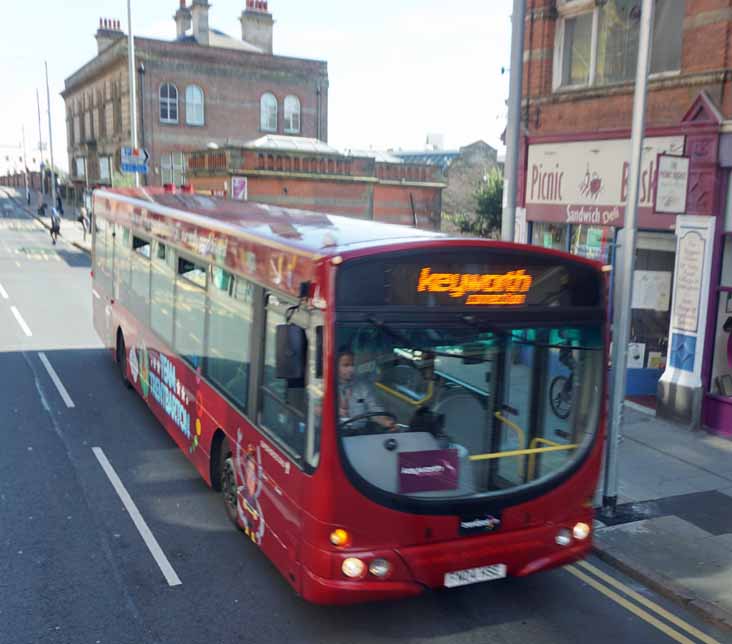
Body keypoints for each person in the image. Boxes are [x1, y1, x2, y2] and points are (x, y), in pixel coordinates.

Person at [337, 349, 395, 431]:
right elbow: (316, 410)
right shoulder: (322, 387)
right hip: (332, 435)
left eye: (352, 365)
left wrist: (387, 422)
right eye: (346, 365)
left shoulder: (363, 386)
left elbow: (374, 410)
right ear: (334, 366)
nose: (351, 369)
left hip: (358, 433)